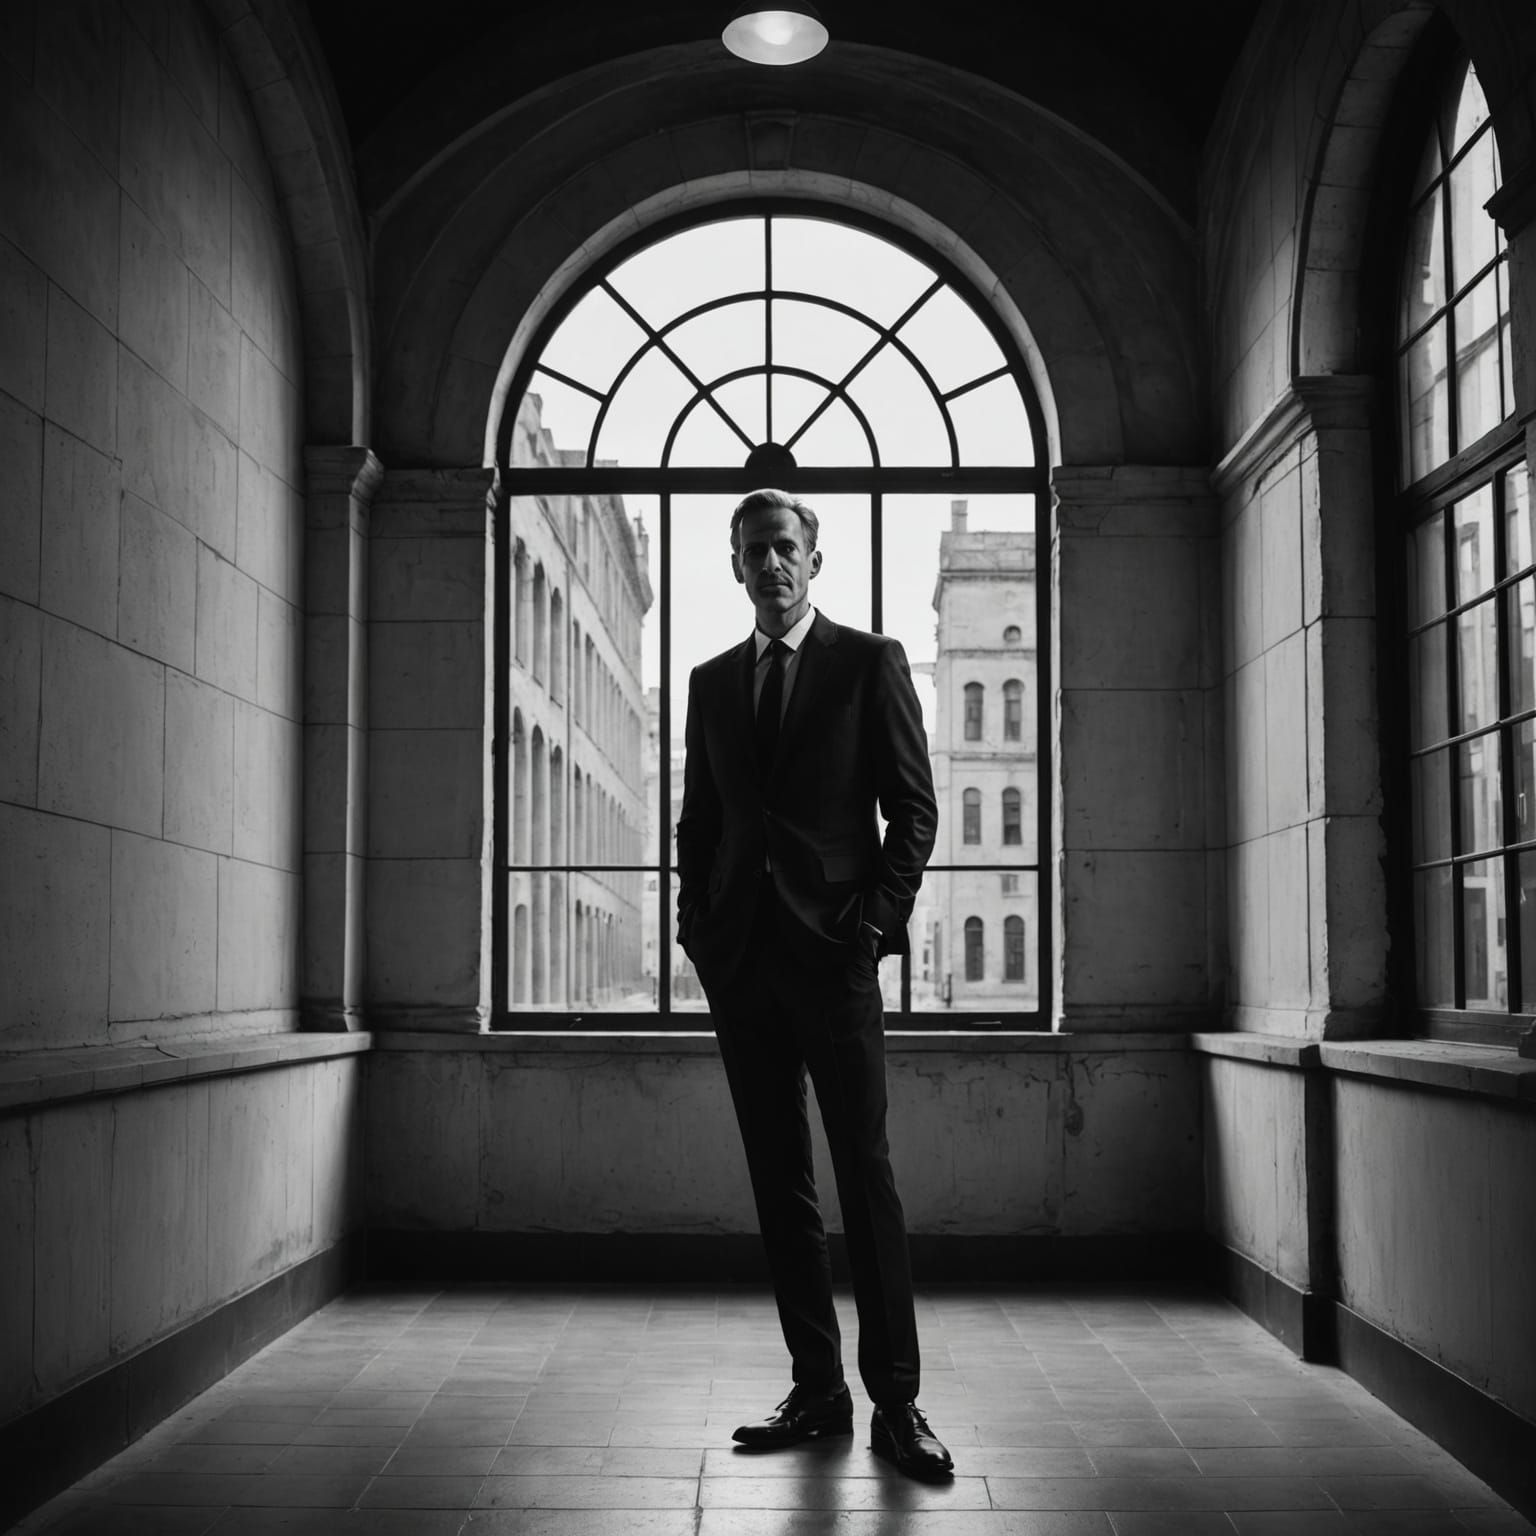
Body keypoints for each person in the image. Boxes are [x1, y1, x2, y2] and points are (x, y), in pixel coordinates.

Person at [675, 487, 951, 1481]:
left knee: (864, 1179)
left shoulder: (868, 664)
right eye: (754, 550)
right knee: (781, 1182)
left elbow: (914, 814)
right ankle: (818, 1388)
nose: (771, 564)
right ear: (737, 565)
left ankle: (900, 1403)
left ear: (813, 559)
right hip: (742, 966)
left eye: (786, 546)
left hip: (834, 961)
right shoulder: (711, 684)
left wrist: (871, 927)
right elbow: (699, 824)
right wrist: (697, 933)